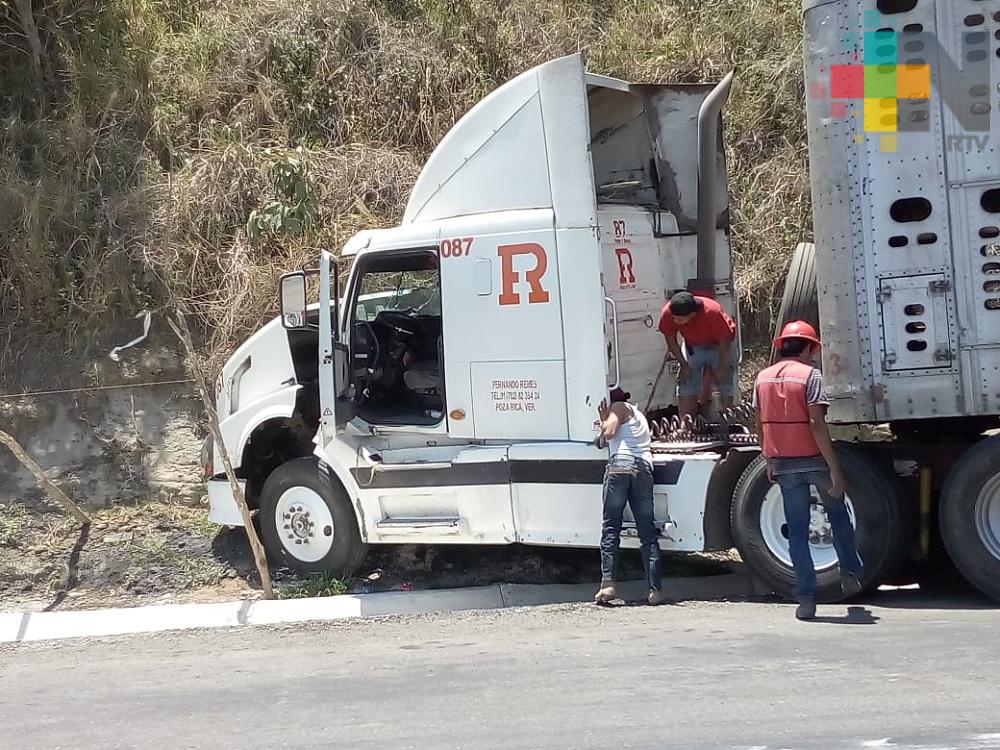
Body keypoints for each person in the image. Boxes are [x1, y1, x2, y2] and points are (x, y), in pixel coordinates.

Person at [753, 321, 863, 621]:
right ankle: (850, 572)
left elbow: (760, 424)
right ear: (808, 347)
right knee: (838, 514)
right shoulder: (810, 376)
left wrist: (768, 461)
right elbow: (816, 423)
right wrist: (834, 468)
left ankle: (805, 599)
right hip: (814, 461)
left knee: (797, 532)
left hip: (784, 465)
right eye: (814, 348)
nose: (815, 355)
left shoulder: (762, 378)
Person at [594, 387, 666, 606]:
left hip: (620, 468)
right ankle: (655, 590)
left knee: (611, 528)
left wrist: (604, 420)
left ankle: (608, 584)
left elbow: (608, 434)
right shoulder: (639, 417)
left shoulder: (619, 407)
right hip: (643, 470)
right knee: (647, 531)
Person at [658, 291, 738, 418]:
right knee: (686, 382)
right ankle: (686, 426)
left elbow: (725, 340)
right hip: (693, 346)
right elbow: (670, 339)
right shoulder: (668, 312)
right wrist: (683, 364)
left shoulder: (712, 311)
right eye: (673, 317)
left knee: (724, 381)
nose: (674, 320)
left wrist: (722, 366)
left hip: (718, 345)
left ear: (692, 315)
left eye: (679, 319)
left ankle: (726, 421)